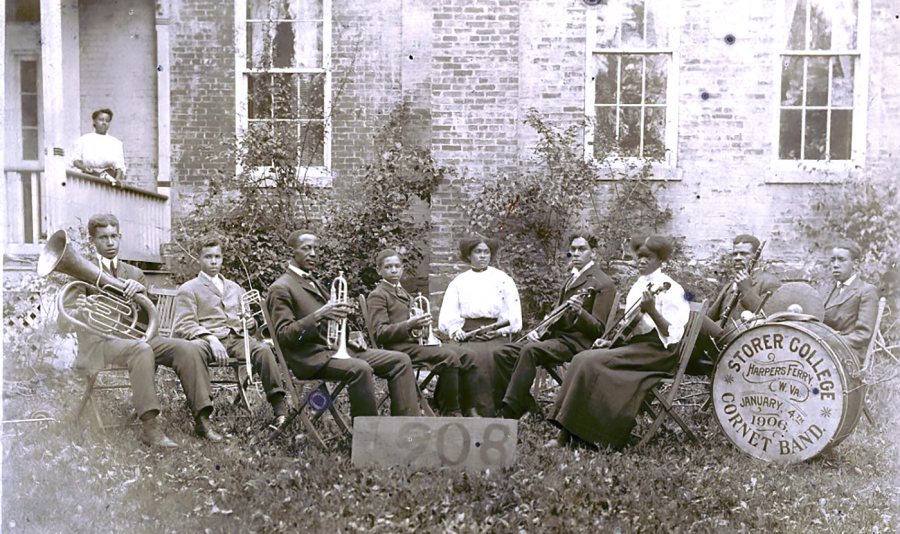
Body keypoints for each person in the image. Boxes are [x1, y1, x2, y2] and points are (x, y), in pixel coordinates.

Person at [61, 214, 220, 446]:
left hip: (135, 338)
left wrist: (141, 295)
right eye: (103, 237)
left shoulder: (134, 274)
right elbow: (62, 322)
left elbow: (148, 316)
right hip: (100, 346)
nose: (110, 242)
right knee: (142, 349)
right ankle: (151, 428)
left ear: (120, 237)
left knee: (187, 348)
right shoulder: (81, 272)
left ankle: (203, 419)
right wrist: (78, 312)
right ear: (92, 240)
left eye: (114, 236)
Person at [547, 235, 690, 450]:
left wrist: (652, 310)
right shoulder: (639, 285)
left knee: (590, 363)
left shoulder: (671, 289)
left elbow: (673, 334)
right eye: (639, 256)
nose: (641, 261)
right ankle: (568, 431)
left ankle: (586, 436)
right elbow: (630, 326)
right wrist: (613, 343)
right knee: (582, 358)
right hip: (637, 346)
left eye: (648, 257)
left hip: (658, 352)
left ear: (660, 260)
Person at [266, 230, 419, 420]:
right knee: (360, 368)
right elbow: (285, 335)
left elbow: (332, 323)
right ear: (291, 252)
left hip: (337, 351)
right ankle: (367, 437)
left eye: (316, 249)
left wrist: (350, 334)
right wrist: (320, 315)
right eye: (306, 248)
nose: (313, 254)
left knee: (401, 360)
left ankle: (406, 429)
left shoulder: (314, 281)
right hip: (311, 358)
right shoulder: (281, 288)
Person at [494, 233, 617, 419]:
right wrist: (540, 330)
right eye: (573, 249)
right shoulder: (571, 278)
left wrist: (580, 313)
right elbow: (556, 315)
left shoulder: (603, 283)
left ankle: (509, 410)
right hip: (555, 338)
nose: (576, 254)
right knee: (503, 352)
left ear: (593, 252)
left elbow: (599, 329)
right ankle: (528, 406)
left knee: (529, 351)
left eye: (582, 249)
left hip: (577, 343)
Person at [172, 238, 289, 426]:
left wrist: (250, 323)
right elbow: (183, 325)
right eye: (208, 257)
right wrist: (210, 338)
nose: (213, 261)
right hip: (206, 341)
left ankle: (280, 410)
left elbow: (246, 321)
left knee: (263, 350)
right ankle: (203, 416)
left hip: (236, 339)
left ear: (222, 259)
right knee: (192, 351)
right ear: (199, 259)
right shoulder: (188, 289)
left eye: (217, 256)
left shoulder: (235, 288)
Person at [366, 249, 478, 416]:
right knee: (449, 357)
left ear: (403, 268)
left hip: (415, 345)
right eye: (388, 267)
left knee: (468, 355)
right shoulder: (378, 295)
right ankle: (451, 411)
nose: (394, 270)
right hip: (398, 349)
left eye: (397, 266)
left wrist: (424, 327)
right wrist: (409, 325)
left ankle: (467, 407)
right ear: (379, 270)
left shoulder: (402, 292)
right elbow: (380, 333)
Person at [438, 236, 522, 416]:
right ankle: (460, 407)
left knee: (490, 356)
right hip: (467, 333)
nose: (483, 256)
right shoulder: (459, 282)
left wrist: (498, 330)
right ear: (469, 255)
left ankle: (492, 409)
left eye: (486, 252)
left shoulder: (503, 279)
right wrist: (455, 330)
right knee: (457, 356)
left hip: (495, 333)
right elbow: (449, 313)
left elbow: (513, 315)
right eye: (478, 252)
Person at [691, 234, 781, 373]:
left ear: (758, 257)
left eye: (744, 253)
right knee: (691, 318)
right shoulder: (729, 285)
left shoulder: (769, 282)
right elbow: (710, 316)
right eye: (735, 254)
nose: (738, 257)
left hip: (747, 347)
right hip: (720, 343)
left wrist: (747, 289)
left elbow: (769, 319)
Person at [821, 239, 879, 358]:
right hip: (823, 351)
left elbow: (862, 335)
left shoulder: (866, 291)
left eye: (841, 260)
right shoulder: (826, 290)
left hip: (848, 354)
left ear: (855, 263)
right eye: (833, 260)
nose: (835, 265)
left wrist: (827, 343)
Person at [70, 108, 127, 185]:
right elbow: (75, 160)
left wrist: (117, 180)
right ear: (94, 121)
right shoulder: (83, 140)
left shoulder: (116, 143)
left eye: (107, 121)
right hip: (88, 177)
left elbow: (119, 166)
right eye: (101, 120)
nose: (104, 123)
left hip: (108, 180)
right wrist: (84, 168)